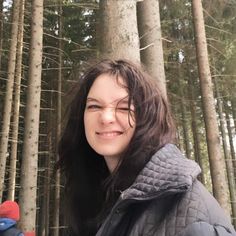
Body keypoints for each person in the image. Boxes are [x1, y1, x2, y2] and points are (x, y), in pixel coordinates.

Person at [57, 59, 236, 236]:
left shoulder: (192, 219)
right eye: (94, 106)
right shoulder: (97, 195)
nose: (106, 117)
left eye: (124, 107)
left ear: (148, 117)